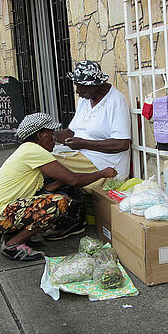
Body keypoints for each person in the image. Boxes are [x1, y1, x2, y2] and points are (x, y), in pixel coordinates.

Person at [0, 113, 117, 261]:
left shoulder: (27, 150)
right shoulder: (33, 151)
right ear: (40, 135)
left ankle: (14, 234)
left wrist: (63, 181)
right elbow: (73, 180)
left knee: (50, 199)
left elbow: (43, 190)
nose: (54, 140)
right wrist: (103, 173)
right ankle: (13, 244)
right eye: (51, 135)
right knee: (58, 203)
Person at [47, 60, 131, 240]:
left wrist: (83, 143)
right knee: (43, 157)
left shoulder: (115, 101)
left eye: (80, 87)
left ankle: (73, 219)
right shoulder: (86, 99)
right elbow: (71, 131)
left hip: (106, 162)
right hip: (81, 154)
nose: (77, 91)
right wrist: (48, 135)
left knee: (49, 165)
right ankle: (63, 214)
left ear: (96, 85)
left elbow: (122, 143)